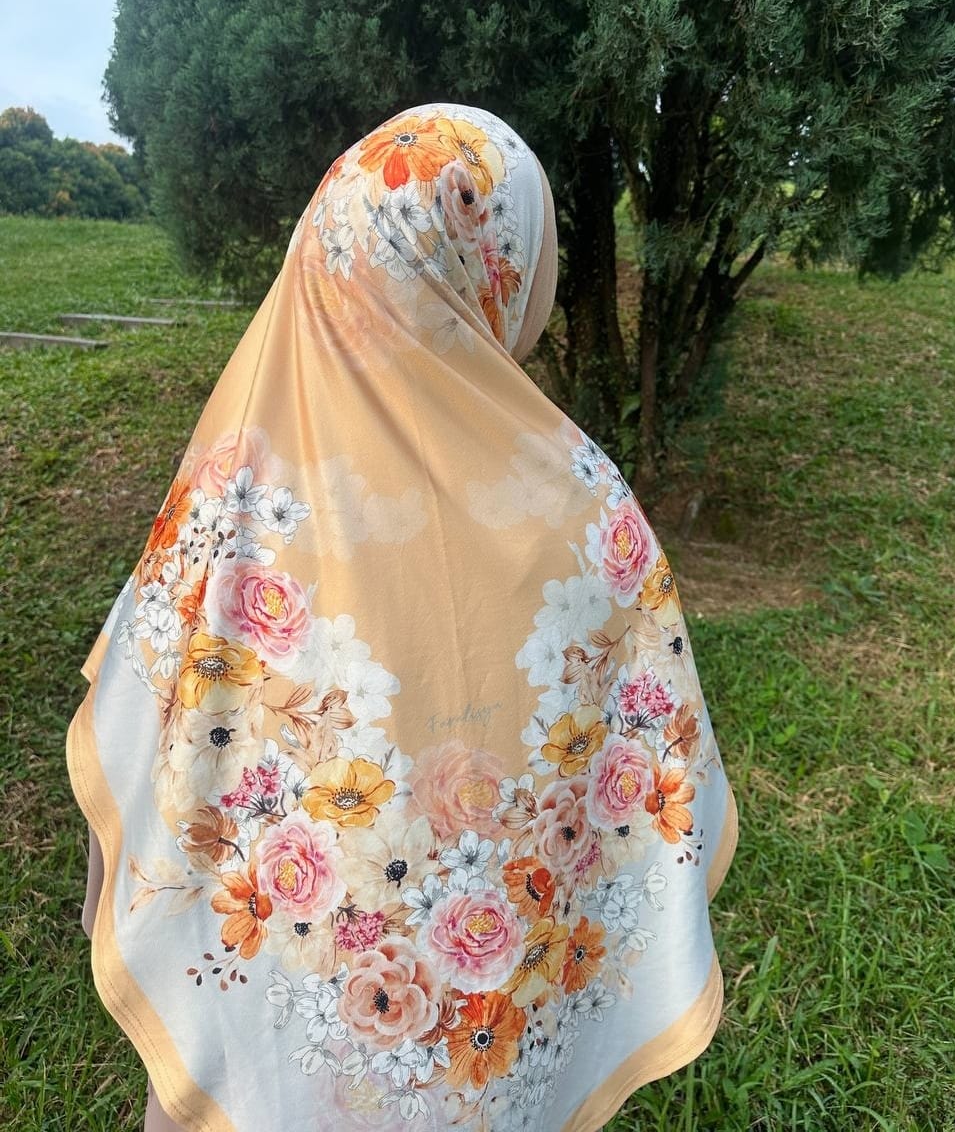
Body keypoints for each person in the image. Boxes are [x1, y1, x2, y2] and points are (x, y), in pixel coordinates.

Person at [67, 101, 738, 1132]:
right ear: (490, 261)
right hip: (487, 1038)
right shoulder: (583, 506)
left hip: (265, 1018)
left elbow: (134, 735)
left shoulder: (231, 489)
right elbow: (646, 777)